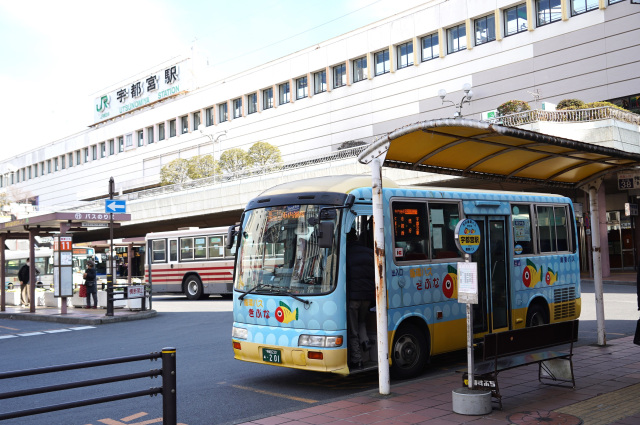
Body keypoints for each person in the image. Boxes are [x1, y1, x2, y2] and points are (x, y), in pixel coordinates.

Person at [346, 228, 376, 369]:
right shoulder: (369, 252)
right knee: (362, 322)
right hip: (367, 297)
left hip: (353, 298)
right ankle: (365, 343)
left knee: (353, 330)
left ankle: (357, 359)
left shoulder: (345, 254)